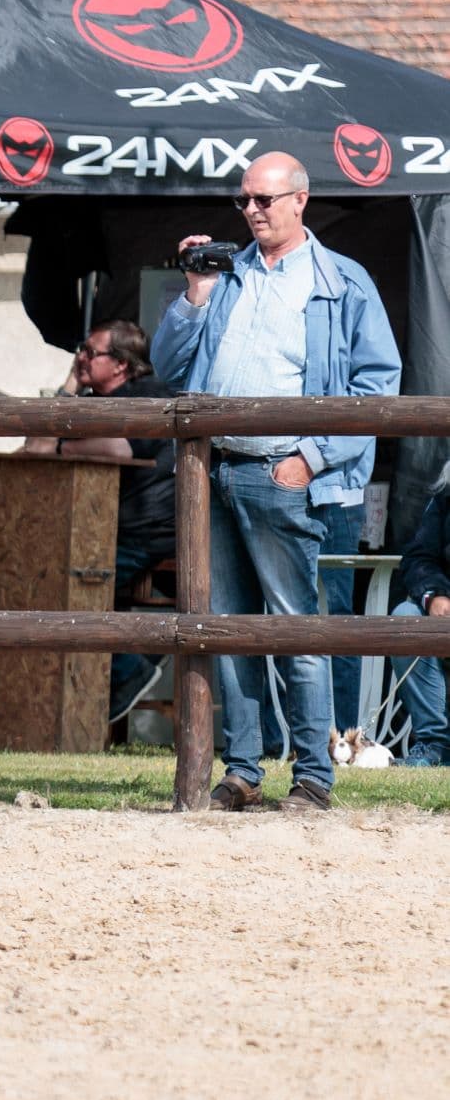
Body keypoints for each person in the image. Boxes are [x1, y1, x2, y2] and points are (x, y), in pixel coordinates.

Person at [155, 151, 401, 813]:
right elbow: (169, 365)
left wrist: (312, 458)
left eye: (265, 200)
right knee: (228, 628)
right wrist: (194, 293)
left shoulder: (341, 281)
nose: (252, 211)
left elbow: (377, 386)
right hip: (218, 470)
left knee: (296, 631)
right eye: (244, 201)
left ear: (300, 201)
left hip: (284, 474)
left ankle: (313, 777)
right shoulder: (225, 276)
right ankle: (242, 772)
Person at [19, 319, 176, 720]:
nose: (81, 358)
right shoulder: (86, 399)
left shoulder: (148, 393)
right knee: (51, 578)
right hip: (98, 531)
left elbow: (121, 449)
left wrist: (61, 444)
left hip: (145, 531)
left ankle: (128, 668)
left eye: (90, 351)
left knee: (65, 584)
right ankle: (117, 675)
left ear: (122, 364)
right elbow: (36, 447)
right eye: (80, 350)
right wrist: (70, 387)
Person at [383, 468, 450, 768]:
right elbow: (417, 557)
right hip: (445, 611)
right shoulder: (445, 496)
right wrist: (435, 596)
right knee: (405, 617)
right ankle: (434, 744)